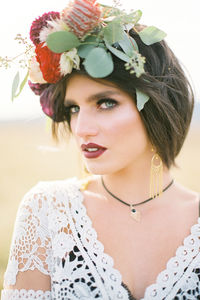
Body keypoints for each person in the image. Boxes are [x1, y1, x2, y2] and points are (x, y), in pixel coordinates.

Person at [1, 0, 200, 299]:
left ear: (156, 105)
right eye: (74, 109)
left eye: (106, 103)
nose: (82, 129)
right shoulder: (47, 211)